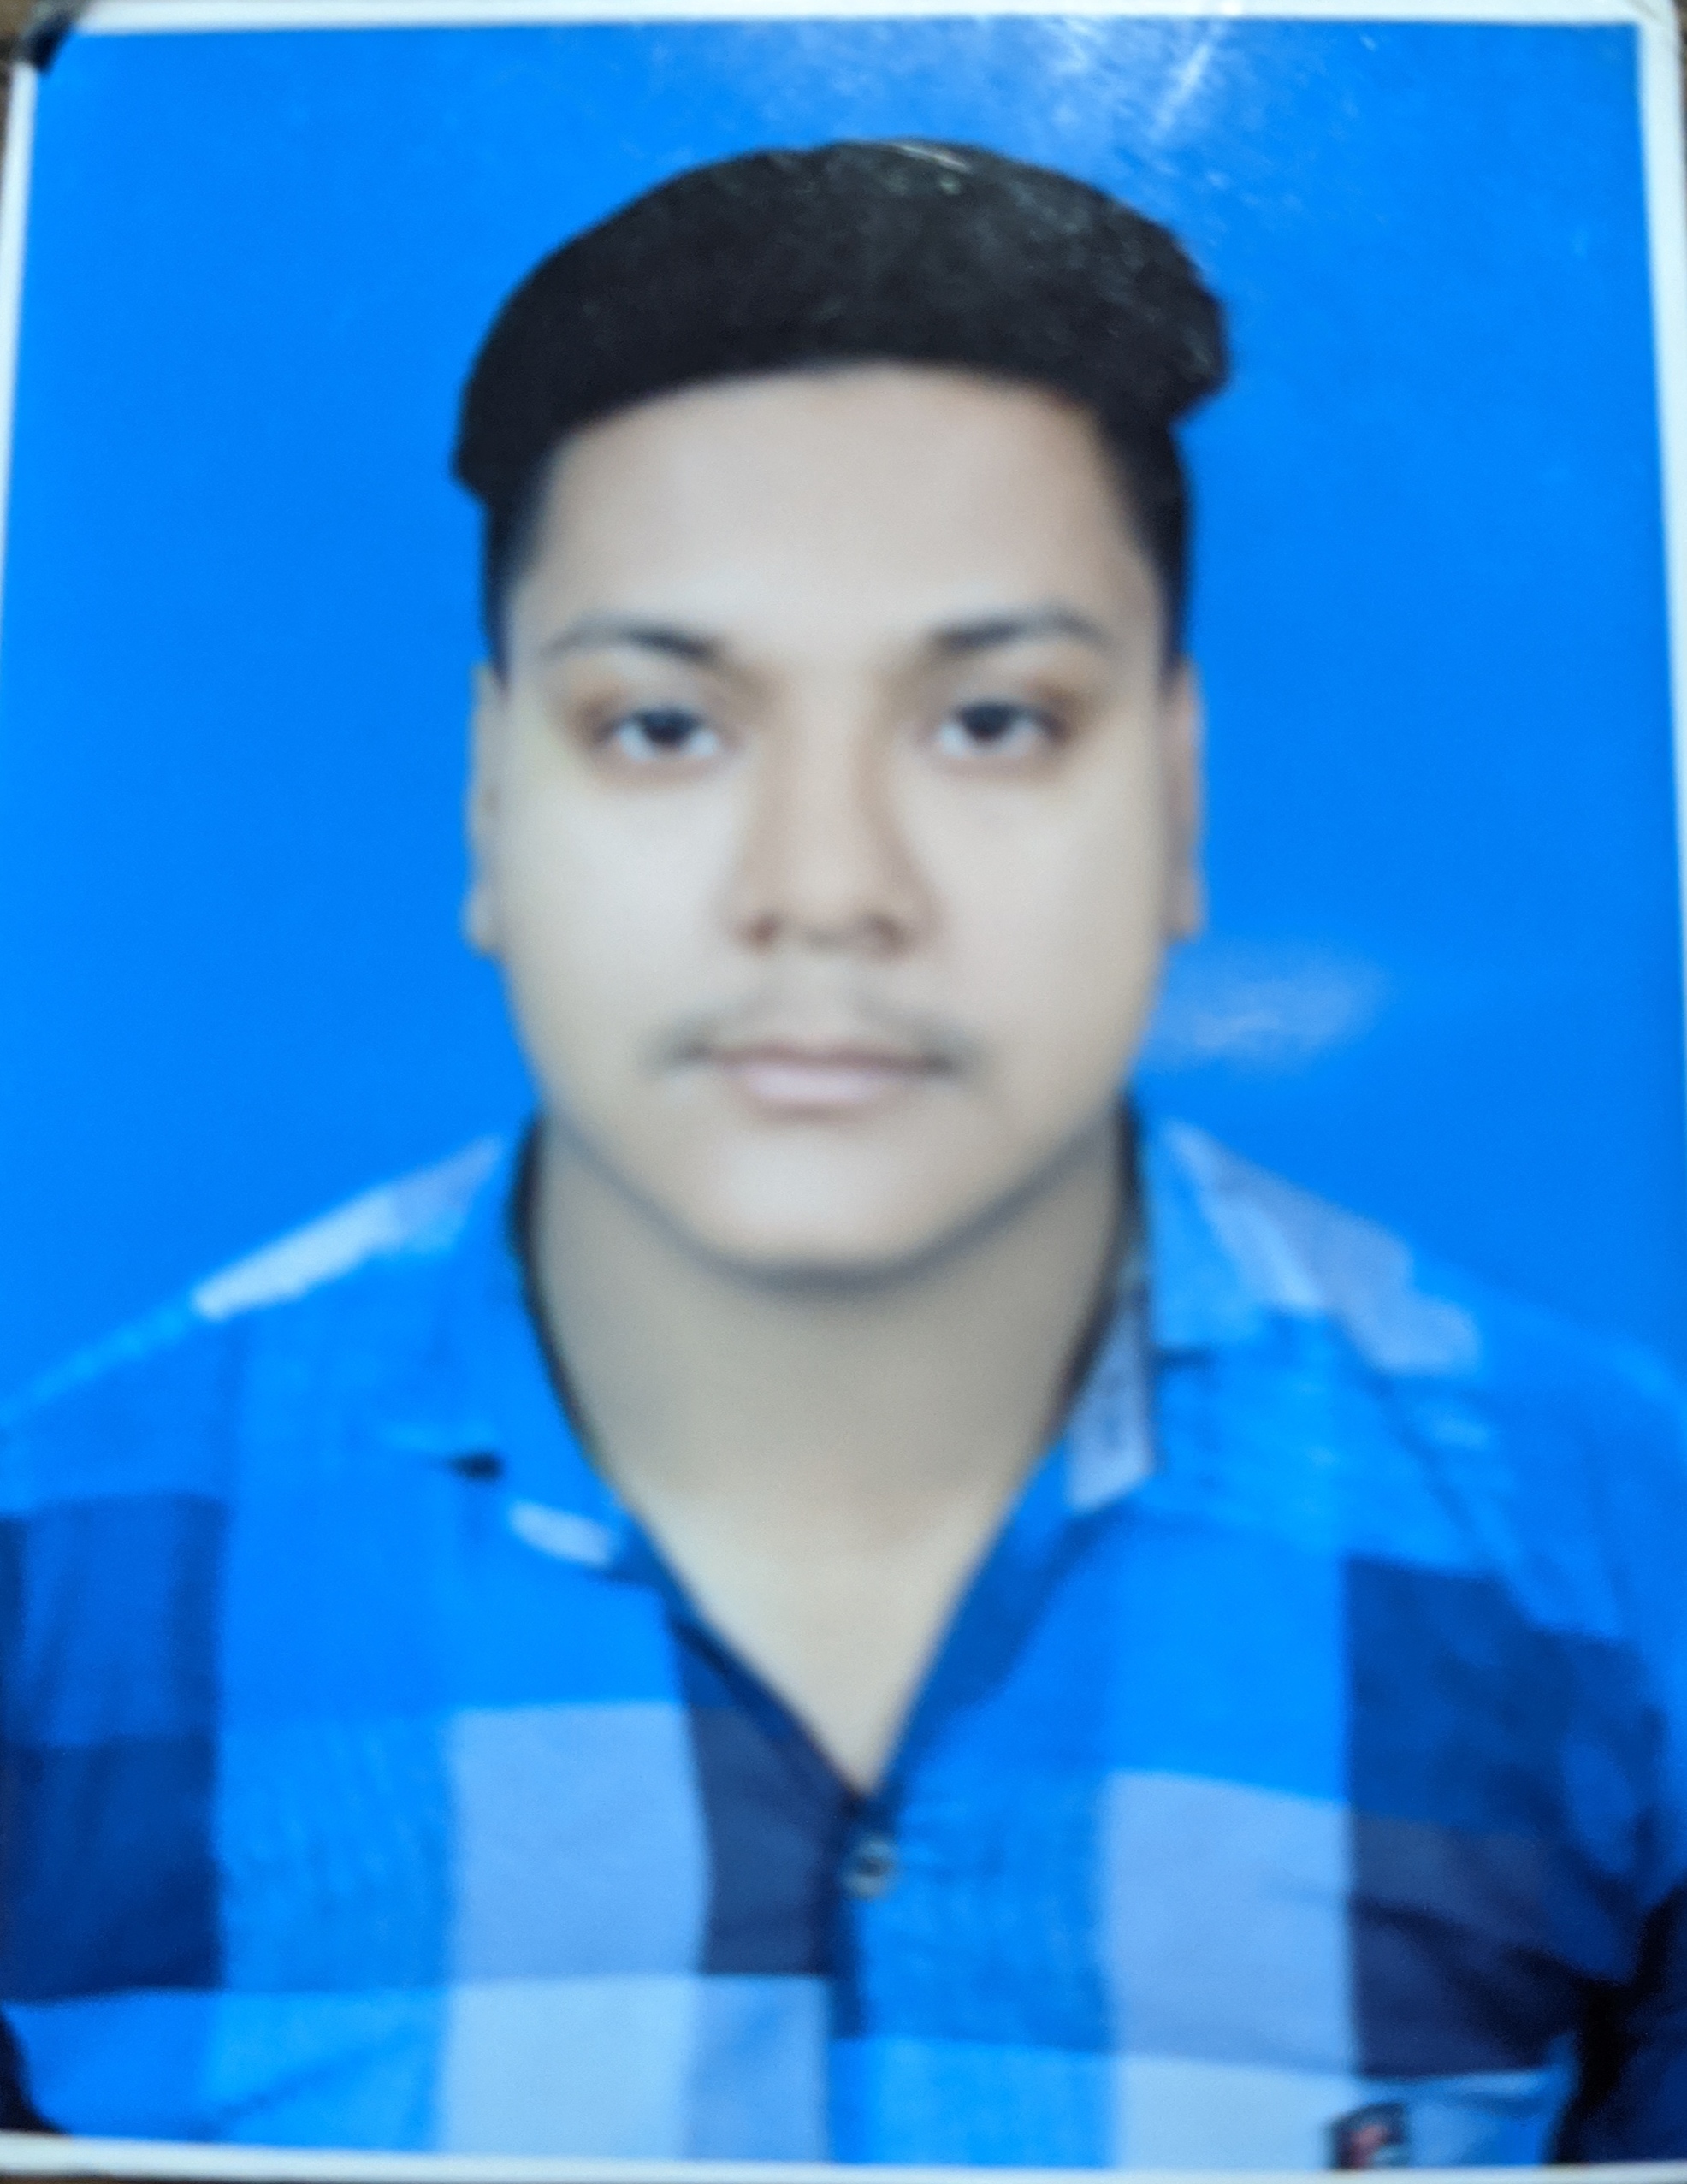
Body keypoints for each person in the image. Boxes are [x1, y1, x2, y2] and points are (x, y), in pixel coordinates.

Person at [0, 139, 1683, 2168]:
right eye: (662, 724)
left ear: (1173, 790)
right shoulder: (50, 1572)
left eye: (989, 720)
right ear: (488, 796)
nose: (824, 888)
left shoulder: (1621, 1550)